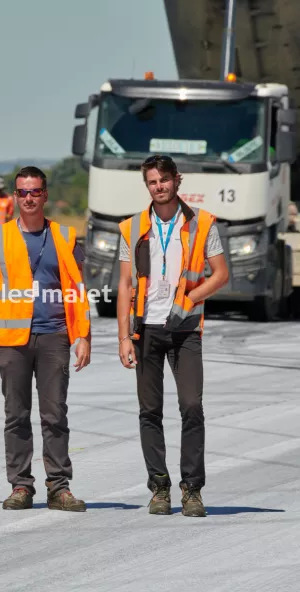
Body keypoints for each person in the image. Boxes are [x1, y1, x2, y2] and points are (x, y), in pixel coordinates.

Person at [0, 165, 92, 512]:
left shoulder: (66, 238)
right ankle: (21, 486)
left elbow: (78, 291)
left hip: (54, 335)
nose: (28, 197)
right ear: (14, 196)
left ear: (45, 195)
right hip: (10, 338)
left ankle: (59, 487)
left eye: (34, 191)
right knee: (16, 415)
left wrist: (83, 335)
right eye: (22, 192)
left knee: (55, 414)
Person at [116, 154, 229, 518]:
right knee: (149, 411)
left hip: (185, 330)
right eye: (152, 181)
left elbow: (221, 274)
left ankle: (192, 489)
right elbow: (124, 284)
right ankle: (160, 488)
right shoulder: (131, 228)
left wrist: (191, 299)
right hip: (144, 329)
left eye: (164, 179)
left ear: (177, 180)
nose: (159, 186)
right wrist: (122, 337)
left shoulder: (202, 222)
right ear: (146, 185)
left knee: (191, 407)